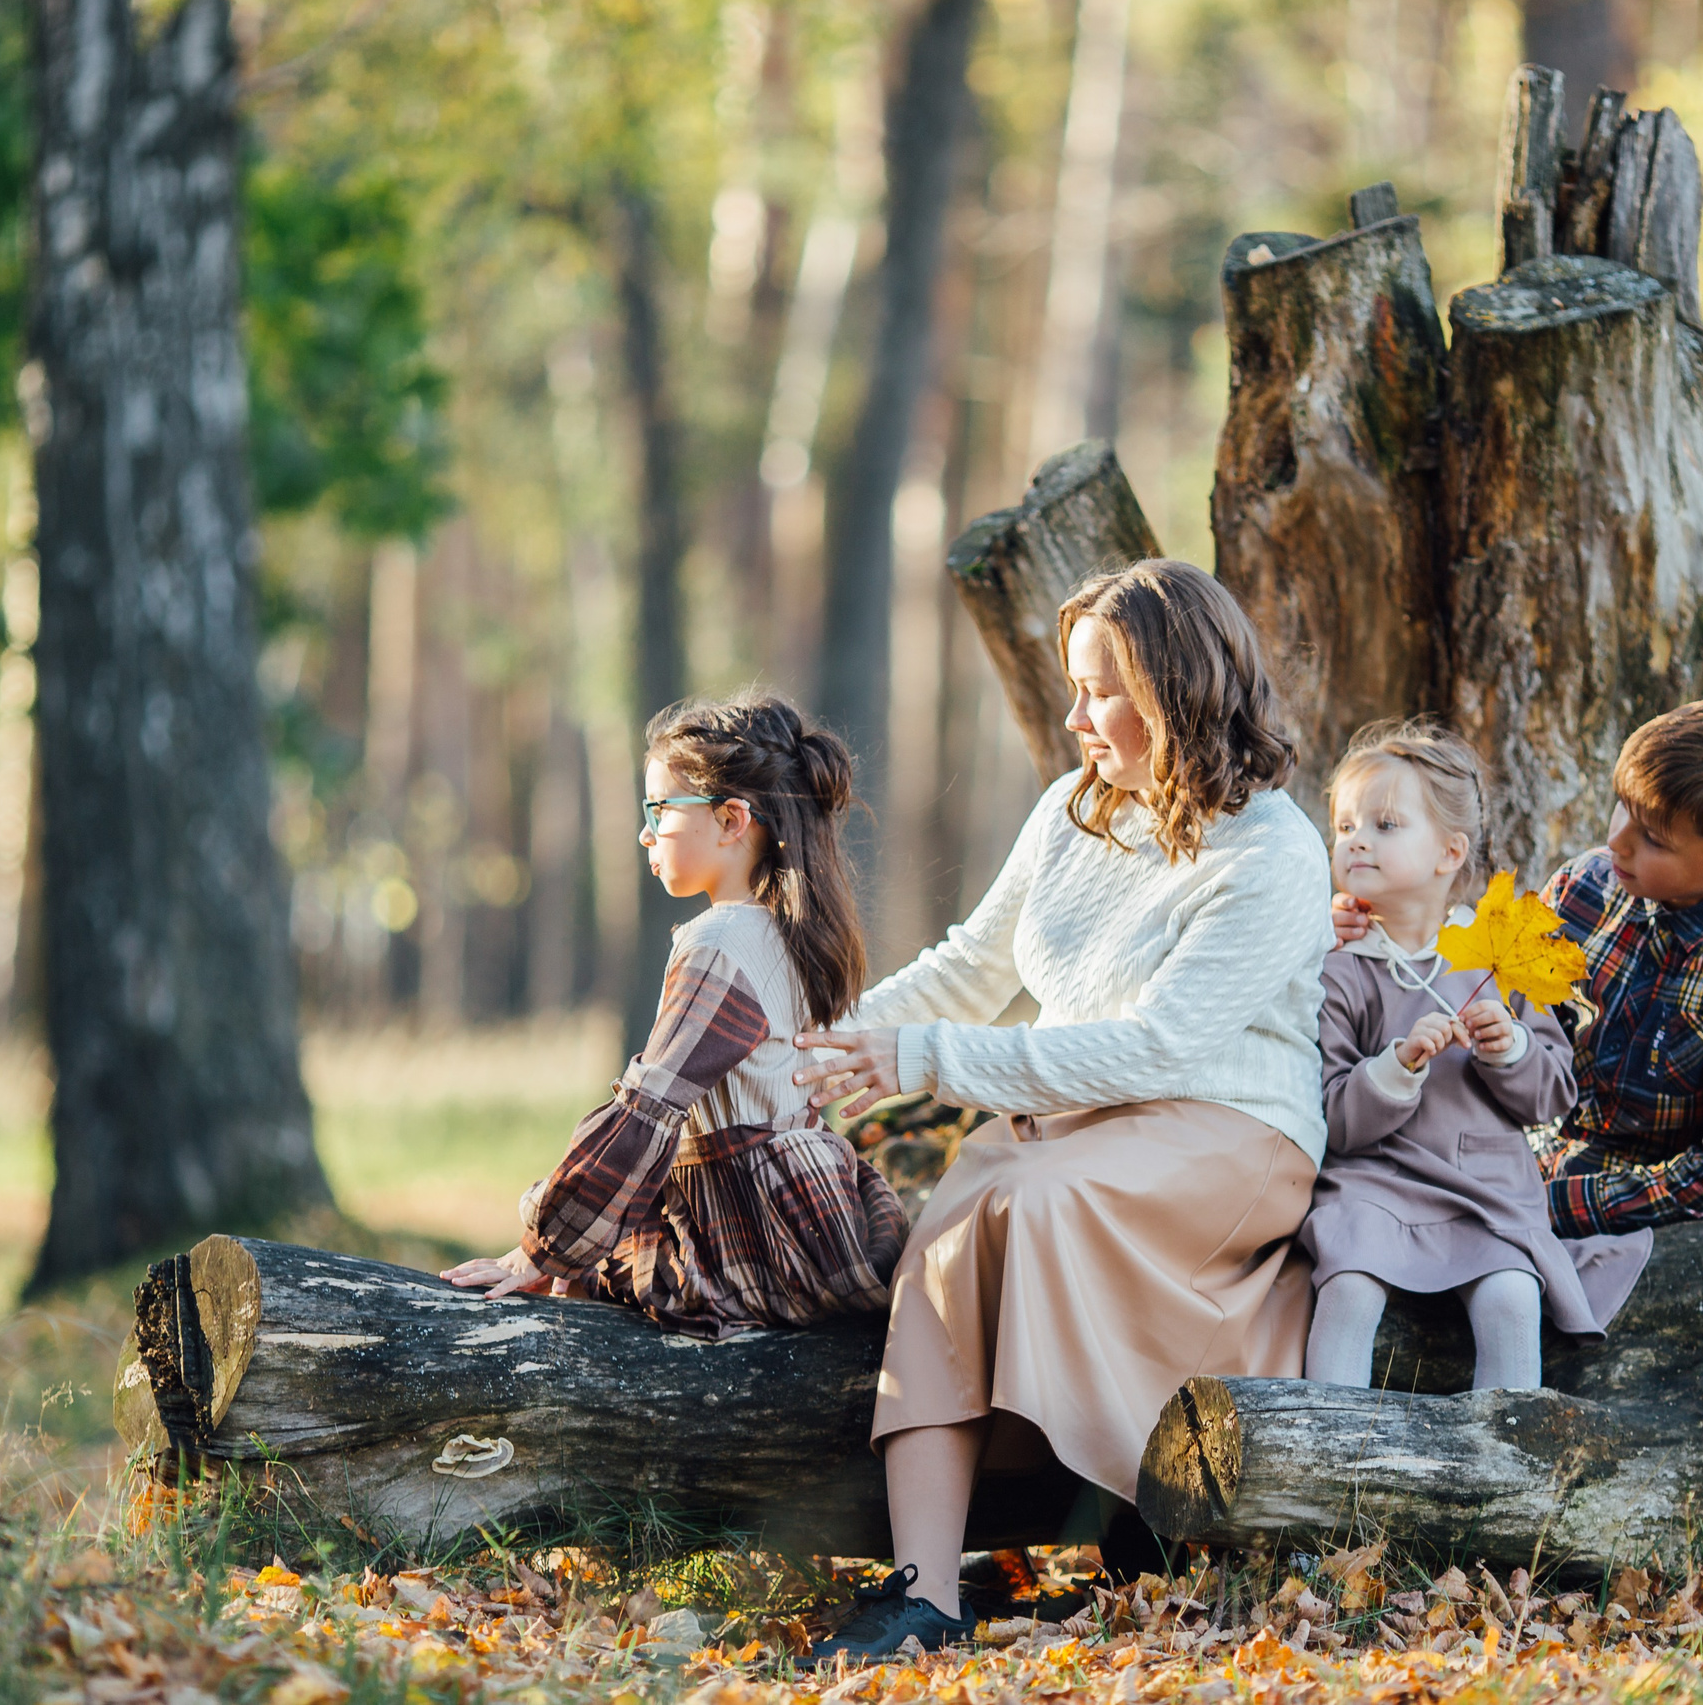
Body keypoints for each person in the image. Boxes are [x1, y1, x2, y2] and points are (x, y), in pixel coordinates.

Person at [792, 561, 1333, 1659]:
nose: (1076, 718)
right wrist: (825, 1047)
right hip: (1068, 1124)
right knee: (954, 1220)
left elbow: (1161, 1046)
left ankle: (1140, 1526)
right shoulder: (1070, 811)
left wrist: (923, 1060)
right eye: (1075, 689)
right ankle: (923, 1593)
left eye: (1101, 692)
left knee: (1033, 1198)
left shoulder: (1273, 850)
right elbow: (969, 966)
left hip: (1227, 1135)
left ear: (1179, 696)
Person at [441, 693, 908, 1338]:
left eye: (659, 809)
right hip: (814, 1220)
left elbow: (648, 1110)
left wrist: (539, 1251)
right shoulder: (787, 932)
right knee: (591, 1258)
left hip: (758, 1241)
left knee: (580, 1276)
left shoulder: (719, 943)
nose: (645, 832)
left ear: (731, 819)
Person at [1331, 698, 1703, 1237]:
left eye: (1653, 838)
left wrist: (1544, 1206)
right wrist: (1372, 921)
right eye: (1622, 807)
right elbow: (1502, 1020)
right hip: (1495, 1169)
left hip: (1616, 1210)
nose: (1616, 840)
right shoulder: (1585, 886)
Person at [1299, 721, 1649, 1392]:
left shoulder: (1491, 958)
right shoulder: (1340, 968)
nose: (1356, 839)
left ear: (1450, 852)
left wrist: (1510, 1048)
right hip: (1376, 1182)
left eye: (1385, 824)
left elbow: (1553, 1095)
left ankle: (1502, 1448)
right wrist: (1397, 1066)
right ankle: (1331, 1443)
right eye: (1344, 826)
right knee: (1347, 1291)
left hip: (1486, 1188)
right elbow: (1334, 1118)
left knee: (1512, 1298)